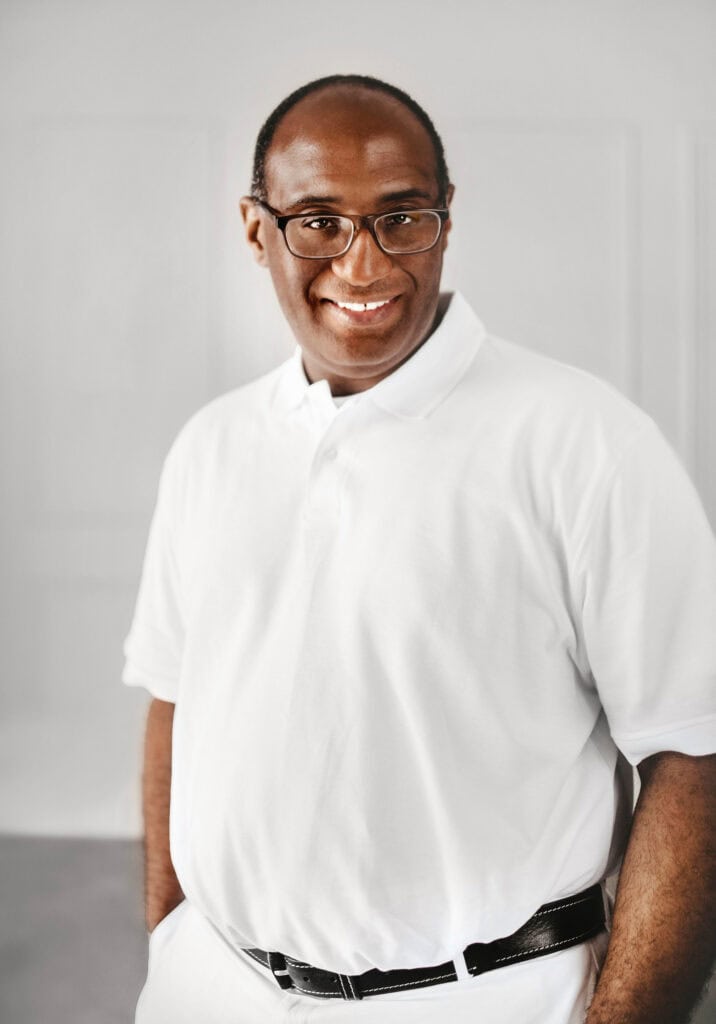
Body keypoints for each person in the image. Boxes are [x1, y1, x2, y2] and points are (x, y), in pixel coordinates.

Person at [123, 74, 716, 1023]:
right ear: (254, 227)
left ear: (447, 217)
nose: (363, 267)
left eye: (402, 218)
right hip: (213, 990)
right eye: (317, 220)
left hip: (486, 999)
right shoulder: (213, 446)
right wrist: (170, 938)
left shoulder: (586, 444)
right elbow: (175, 693)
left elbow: (696, 754)